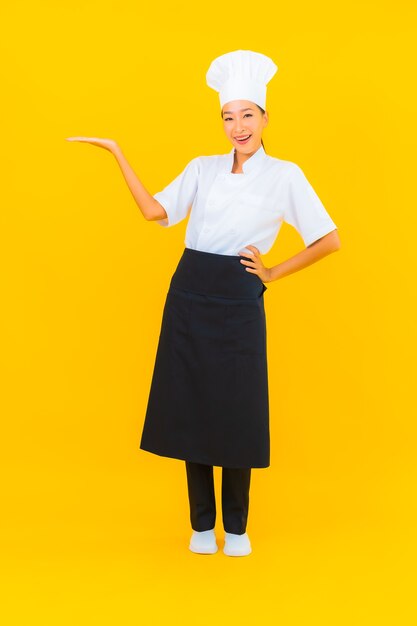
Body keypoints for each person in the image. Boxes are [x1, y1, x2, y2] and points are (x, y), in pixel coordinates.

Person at [66, 49, 341, 558]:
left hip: (238, 295)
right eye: (228, 117)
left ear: (265, 118)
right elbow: (154, 212)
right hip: (190, 289)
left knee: (236, 409)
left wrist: (274, 272)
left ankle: (235, 527)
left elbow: (329, 239)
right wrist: (117, 152)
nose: (237, 127)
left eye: (247, 115)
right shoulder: (202, 168)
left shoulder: (285, 175)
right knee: (192, 406)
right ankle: (200, 524)